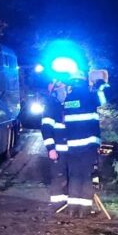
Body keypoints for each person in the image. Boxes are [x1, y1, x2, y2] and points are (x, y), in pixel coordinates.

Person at [42, 73, 103, 217]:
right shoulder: (89, 97)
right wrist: (100, 85)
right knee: (86, 177)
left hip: (72, 146)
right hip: (87, 145)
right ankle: (84, 210)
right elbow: (102, 99)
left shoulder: (69, 101)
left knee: (74, 176)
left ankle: (71, 209)